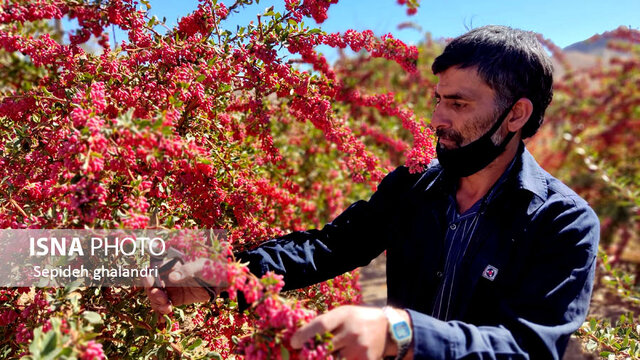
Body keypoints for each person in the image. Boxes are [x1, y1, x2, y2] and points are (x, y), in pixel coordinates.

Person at [146, 25, 600, 359]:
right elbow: (330, 245)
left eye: (458, 104)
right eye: (438, 99)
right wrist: (220, 275)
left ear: (516, 115)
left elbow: (531, 347)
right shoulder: (415, 184)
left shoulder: (564, 221)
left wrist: (401, 332)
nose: (438, 118)